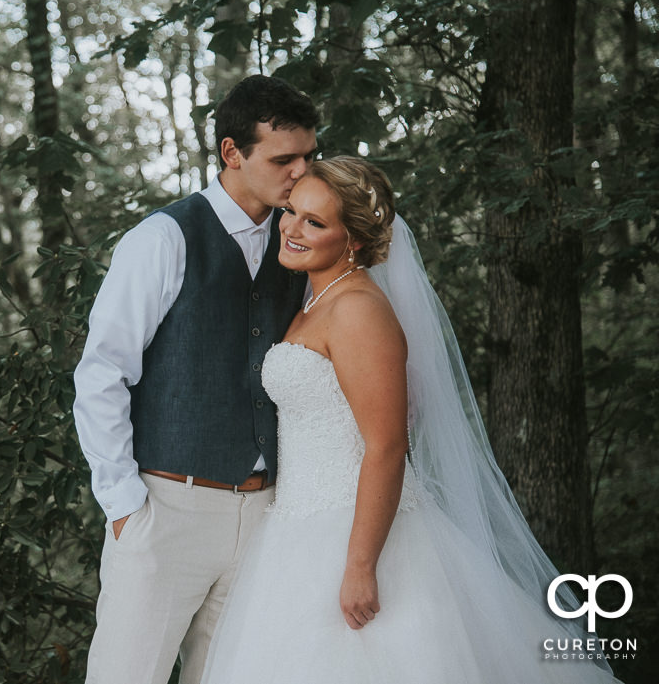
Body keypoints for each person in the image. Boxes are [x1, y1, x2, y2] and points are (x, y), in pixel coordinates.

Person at [202, 156, 621, 683]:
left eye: (315, 222)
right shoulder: (314, 298)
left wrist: (359, 566)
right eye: (291, 211)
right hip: (296, 527)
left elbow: (386, 446)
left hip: (356, 534)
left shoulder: (357, 308)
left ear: (352, 239)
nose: (290, 228)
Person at [72, 74, 318, 684]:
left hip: (265, 517)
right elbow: (102, 372)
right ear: (233, 153)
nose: (300, 171)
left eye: (309, 156)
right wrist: (126, 505)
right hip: (166, 507)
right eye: (283, 158)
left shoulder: (301, 242)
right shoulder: (163, 239)